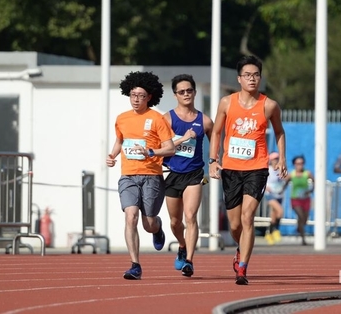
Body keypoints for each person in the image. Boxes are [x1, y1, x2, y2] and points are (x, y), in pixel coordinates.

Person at [209, 55, 287, 285]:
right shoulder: (226, 102)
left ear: (260, 78)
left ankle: (242, 267)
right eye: (247, 75)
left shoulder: (269, 105)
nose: (252, 79)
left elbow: (279, 132)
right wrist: (213, 160)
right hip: (231, 168)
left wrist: (282, 158)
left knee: (247, 217)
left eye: (256, 75)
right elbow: (216, 132)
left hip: (257, 168)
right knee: (235, 225)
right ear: (239, 79)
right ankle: (240, 248)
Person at [106, 71, 176, 280]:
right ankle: (135, 265)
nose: (136, 99)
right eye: (133, 95)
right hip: (128, 175)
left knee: (148, 223)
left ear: (149, 97)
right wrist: (112, 155)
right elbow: (120, 141)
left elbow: (170, 148)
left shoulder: (156, 119)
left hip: (151, 175)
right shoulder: (122, 118)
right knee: (131, 216)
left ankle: (157, 228)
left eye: (141, 96)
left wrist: (151, 152)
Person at [163, 74, 213, 277]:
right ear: (175, 95)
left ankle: (189, 261)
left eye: (189, 90)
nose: (186, 94)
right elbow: (160, 146)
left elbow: (217, 144)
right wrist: (182, 139)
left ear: (195, 92)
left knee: (191, 216)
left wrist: (215, 161)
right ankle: (182, 245)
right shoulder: (167, 119)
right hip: (172, 173)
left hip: (194, 174)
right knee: (175, 222)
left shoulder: (205, 121)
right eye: (181, 91)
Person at [286, 155, 314, 246]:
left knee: (304, 220)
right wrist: (280, 190)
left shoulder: (307, 173)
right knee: (301, 216)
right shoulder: (292, 174)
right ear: (294, 164)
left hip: (305, 199)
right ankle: (303, 239)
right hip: (295, 199)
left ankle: (299, 227)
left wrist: (310, 190)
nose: (300, 165)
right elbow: (285, 183)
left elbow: (315, 182)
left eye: (301, 163)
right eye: (297, 163)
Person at [264, 152, 285, 245]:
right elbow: (262, 180)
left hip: (279, 194)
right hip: (270, 194)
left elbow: (284, 180)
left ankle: (269, 233)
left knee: (274, 215)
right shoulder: (268, 169)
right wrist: (265, 187)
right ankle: (276, 230)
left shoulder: (280, 169)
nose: (276, 161)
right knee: (280, 211)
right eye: (274, 159)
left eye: (277, 159)